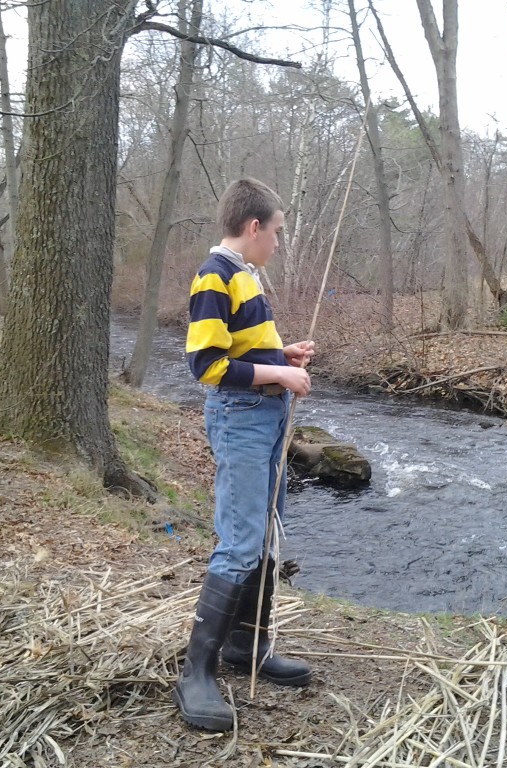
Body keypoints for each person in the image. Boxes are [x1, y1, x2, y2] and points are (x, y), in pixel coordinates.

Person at [174, 177, 315, 732]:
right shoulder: (215, 276)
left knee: (266, 533)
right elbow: (206, 366)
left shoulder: (246, 275)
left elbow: (239, 347)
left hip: (267, 417)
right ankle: (196, 673)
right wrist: (278, 372)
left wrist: (282, 352)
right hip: (241, 421)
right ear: (253, 228)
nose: (279, 242)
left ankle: (244, 645)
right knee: (239, 544)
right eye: (277, 231)